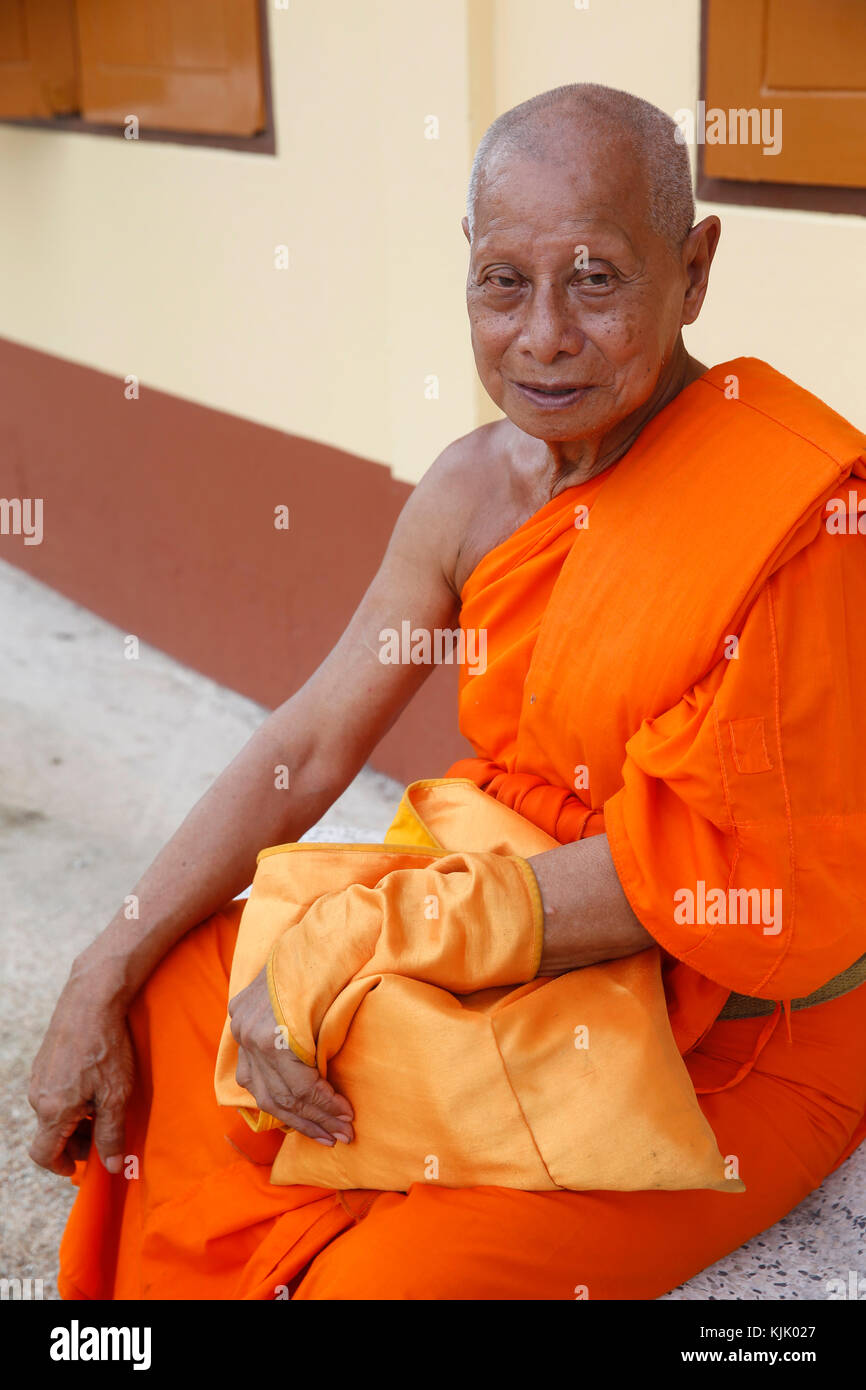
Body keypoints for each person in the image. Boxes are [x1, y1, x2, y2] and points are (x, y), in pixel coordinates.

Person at [29, 83, 866, 1300]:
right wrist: (95, 970)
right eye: (501, 283)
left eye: (594, 279)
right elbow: (310, 743)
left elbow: (699, 872)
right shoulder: (471, 487)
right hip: (495, 945)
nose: (542, 337)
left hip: (721, 1039)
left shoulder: (798, 510)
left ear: (691, 273)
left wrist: (367, 938)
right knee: (176, 998)